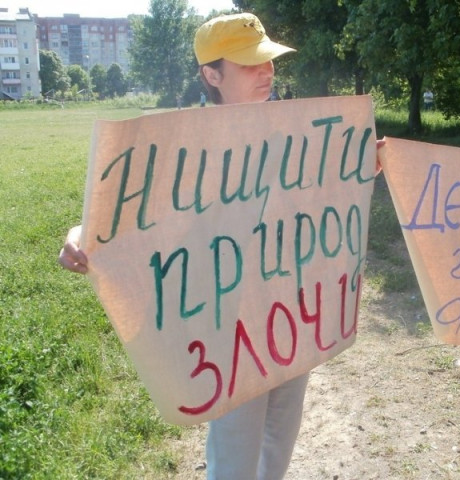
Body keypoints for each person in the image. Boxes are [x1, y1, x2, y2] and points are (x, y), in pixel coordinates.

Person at [60, 13, 306, 480]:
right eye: (249, 64)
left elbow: (325, 183)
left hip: (292, 314)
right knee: (235, 456)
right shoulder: (185, 146)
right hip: (229, 328)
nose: (267, 71)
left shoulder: (296, 130)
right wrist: (79, 235)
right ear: (212, 75)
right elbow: (133, 213)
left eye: (268, 59)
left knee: (278, 443)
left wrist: (363, 161)